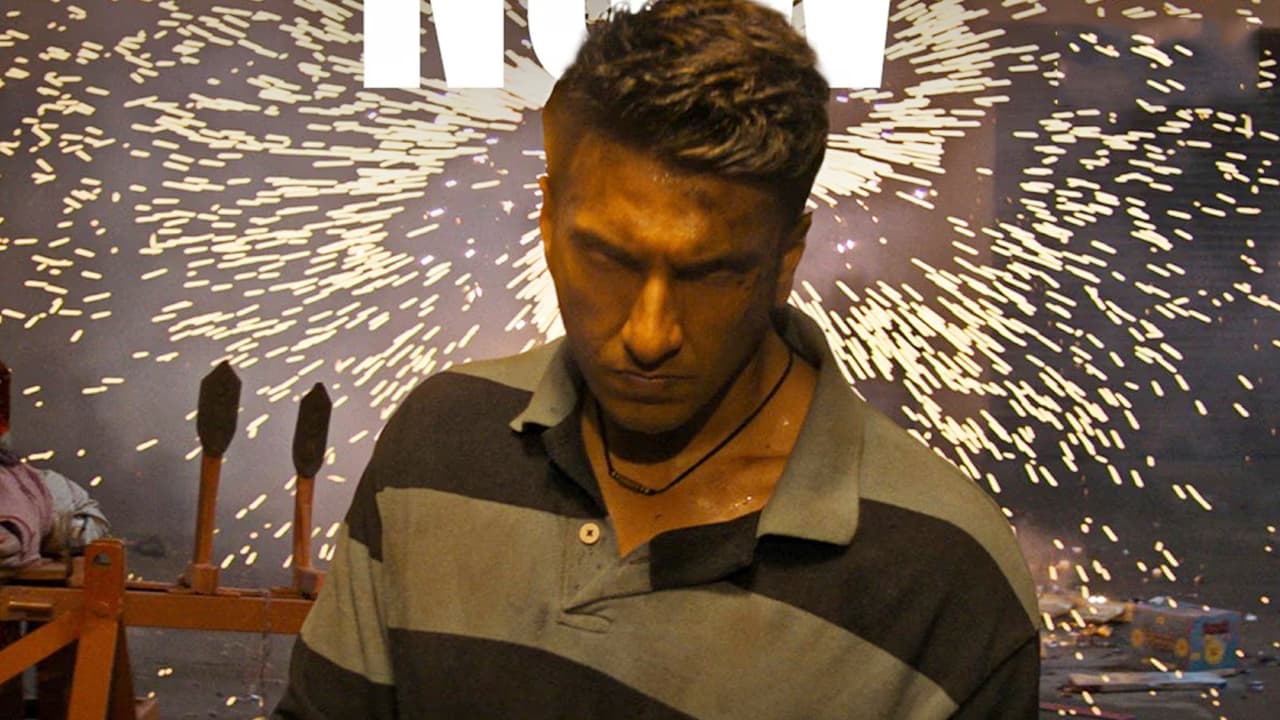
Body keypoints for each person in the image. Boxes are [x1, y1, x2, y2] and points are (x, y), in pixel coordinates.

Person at [274, 1, 1040, 717]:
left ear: (787, 256)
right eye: (607, 259)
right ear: (546, 220)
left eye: (710, 274)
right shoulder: (439, 443)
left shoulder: (950, 577)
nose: (648, 335)